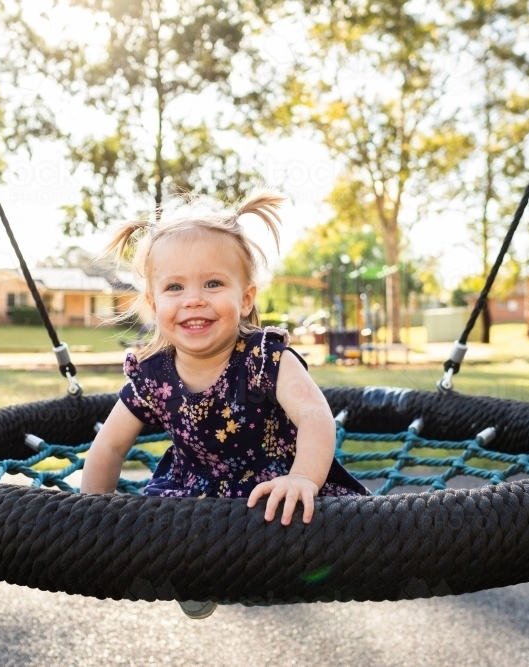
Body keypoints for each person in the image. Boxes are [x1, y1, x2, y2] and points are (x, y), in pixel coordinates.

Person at [81, 187, 368, 516]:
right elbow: (109, 445)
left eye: (213, 283)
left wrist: (302, 477)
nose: (194, 299)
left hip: (274, 489)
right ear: (153, 303)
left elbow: (314, 416)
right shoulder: (153, 376)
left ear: (246, 299)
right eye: (175, 287)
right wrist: (92, 516)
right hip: (191, 502)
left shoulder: (264, 359)